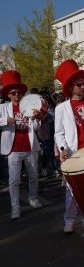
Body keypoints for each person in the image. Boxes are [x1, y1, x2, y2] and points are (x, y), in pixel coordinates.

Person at [54, 59, 84, 234]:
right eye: (79, 84)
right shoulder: (61, 109)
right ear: (70, 87)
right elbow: (58, 133)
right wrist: (62, 148)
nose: (83, 87)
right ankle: (69, 220)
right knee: (72, 191)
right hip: (73, 153)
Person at [0, 70, 44, 220]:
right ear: (8, 95)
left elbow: (36, 128)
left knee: (33, 176)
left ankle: (33, 199)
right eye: (13, 93)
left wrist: (37, 118)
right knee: (13, 180)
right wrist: (6, 120)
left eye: (19, 92)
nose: (16, 95)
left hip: (30, 146)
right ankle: (15, 208)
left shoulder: (28, 105)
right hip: (13, 148)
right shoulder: (3, 108)